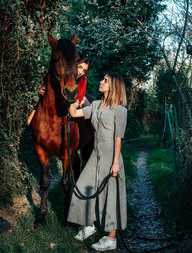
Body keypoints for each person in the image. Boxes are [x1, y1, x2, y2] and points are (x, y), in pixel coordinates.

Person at [67, 73, 127, 251]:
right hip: (95, 154)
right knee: (82, 186)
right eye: (102, 79)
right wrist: (75, 98)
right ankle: (88, 225)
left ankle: (111, 238)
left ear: (113, 86)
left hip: (111, 156)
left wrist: (115, 162)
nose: (101, 82)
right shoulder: (95, 105)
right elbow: (74, 112)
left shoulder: (120, 110)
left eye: (105, 81)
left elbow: (118, 138)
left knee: (111, 196)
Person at [26, 57, 90, 126]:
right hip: (55, 98)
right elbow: (48, 86)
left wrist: (78, 102)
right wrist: (41, 91)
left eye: (84, 70)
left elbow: (80, 95)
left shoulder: (83, 79)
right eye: (79, 67)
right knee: (29, 121)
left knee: (89, 109)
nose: (81, 72)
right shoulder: (65, 72)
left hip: (74, 100)